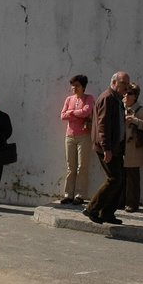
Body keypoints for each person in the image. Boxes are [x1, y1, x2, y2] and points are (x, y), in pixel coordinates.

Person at [84, 71, 130, 224]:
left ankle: (108, 213)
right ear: (114, 82)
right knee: (114, 178)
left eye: (127, 84)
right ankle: (92, 208)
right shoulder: (107, 98)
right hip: (107, 146)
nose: (126, 87)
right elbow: (103, 125)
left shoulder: (116, 99)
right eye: (124, 83)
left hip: (115, 146)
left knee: (119, 179)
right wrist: (106, 149)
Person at [59, 74, 95, 205]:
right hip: (69, 136)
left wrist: (72, 113)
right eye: (73, 85)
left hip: (84, 136)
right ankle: (68, 194)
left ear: (83, 87)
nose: (74, 88)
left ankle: (80, 195)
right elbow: (62, 115)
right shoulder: (69, 99)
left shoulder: (89, 98)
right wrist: (76, 113)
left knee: (82, 167)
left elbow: (86, 112)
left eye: (77, 85)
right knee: (71, 167)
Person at [121, 83, 143, 213]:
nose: (126, 96)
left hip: (134, 149)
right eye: (125, 93)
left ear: (135, 96)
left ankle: (132, 203)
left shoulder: (142, 110)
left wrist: (135, 120)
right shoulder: (119, 108)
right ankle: (120, 201)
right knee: (120, 176)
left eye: (129, 93)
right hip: (121, 147)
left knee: (133, 177)